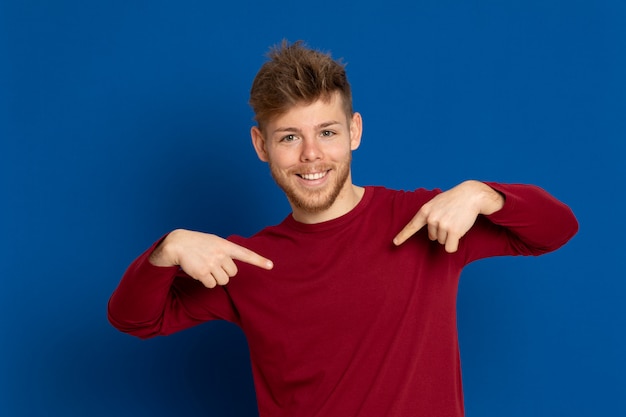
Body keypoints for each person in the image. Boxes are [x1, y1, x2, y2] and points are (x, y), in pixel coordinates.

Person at [108, 40, 578, 417]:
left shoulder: (425, 221)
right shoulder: (244, 264)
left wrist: (483, 194)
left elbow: (557, 228)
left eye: (327, 132)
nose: (311, 154)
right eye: (290, 137)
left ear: (354, 131)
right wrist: (166, 250)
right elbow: (133, 318)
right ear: (261, 145)